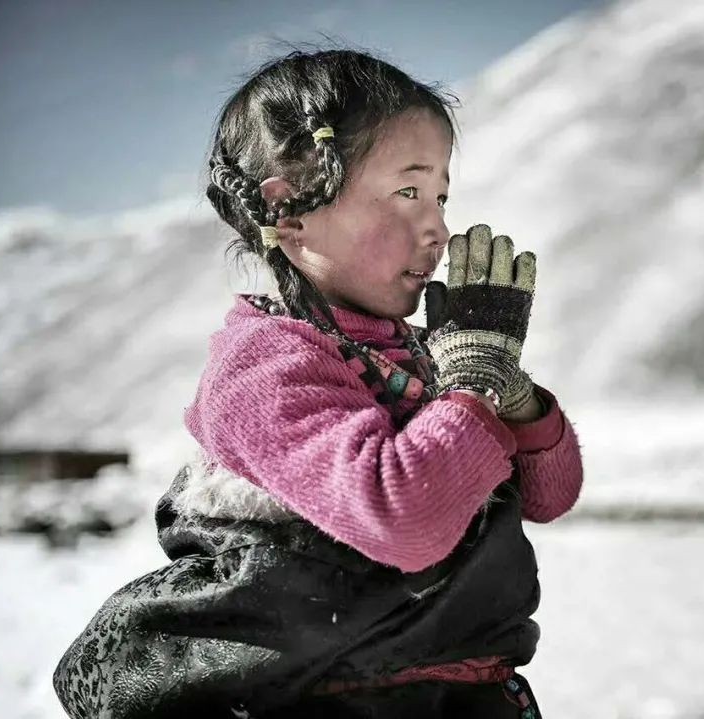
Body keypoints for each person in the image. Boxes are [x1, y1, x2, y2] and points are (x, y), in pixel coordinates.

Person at [52, 48, 583, 719]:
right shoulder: (267, 368)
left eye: (442, 195)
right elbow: (405, 519)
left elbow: (549, 494)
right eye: (408, 192)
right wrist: (471, 385)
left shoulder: (426, 356)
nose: (438, 227)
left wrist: (509, 394)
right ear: (290, 209)